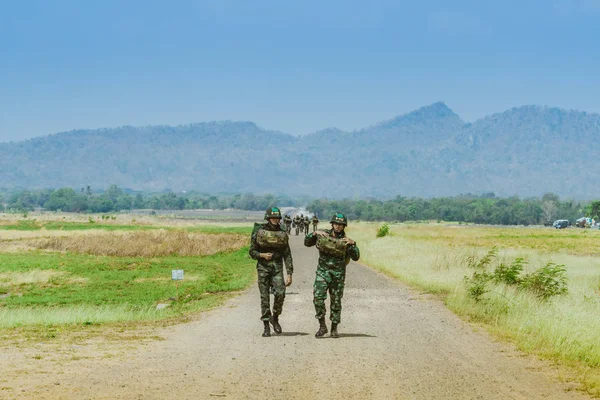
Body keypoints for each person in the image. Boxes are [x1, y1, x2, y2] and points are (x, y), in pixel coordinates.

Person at [304, 212, 359, 338]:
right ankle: (322, 326)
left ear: (344, 226)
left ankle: (334, 328)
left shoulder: (346, 241)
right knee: (318, 298)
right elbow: (306, 243)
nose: (338, 226)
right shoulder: (323, 235)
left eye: (341, 224)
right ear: (332, 224)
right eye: (336, 224)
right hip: (322, 273)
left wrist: (353, 244)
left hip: (338, 275)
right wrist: (314, 233)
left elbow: (356, 257)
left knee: (336, 302)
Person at [249, 207, 293, 337]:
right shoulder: (259, 232)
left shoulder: (282, 233)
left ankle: (275, 317)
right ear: (268, 218)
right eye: (272, 218)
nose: (275, 220)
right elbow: (252, 252)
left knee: (280, 293)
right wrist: (262, 255)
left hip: (277, 268)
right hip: (263, 268)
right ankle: (266, 326)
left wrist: (289, 273)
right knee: (265, 298)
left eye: (277, 218)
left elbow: (287, 254)